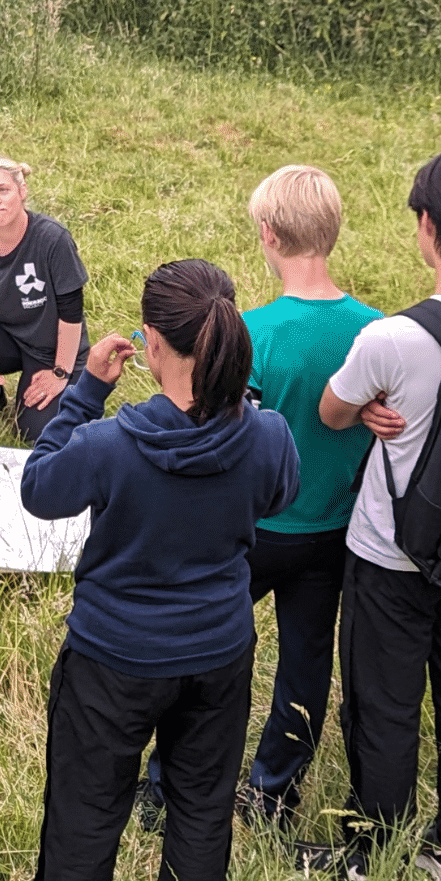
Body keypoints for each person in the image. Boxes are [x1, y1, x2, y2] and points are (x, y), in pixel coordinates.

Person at [22, 260, 298, 881]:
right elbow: (280, 494)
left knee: (82, 828)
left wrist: (86, 390)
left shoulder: (108, 444)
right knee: (202, 821)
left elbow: (39, 488)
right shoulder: (267, 435)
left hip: (111, 661)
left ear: (150, 343)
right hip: (218, 654)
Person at [298, 146, 441, 881]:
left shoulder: (394, 337)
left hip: (393, 550)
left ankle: (374, 848)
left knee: (383, 701)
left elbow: (333, 413)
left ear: (426, 226)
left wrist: (366, 407)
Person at [141, 166, 379, 831]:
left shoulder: (249, 333)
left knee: (195, 650)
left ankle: (167, 785)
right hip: (334, 527)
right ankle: (275, 793)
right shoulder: (376, 328)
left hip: (250, 529)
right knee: (305, 664)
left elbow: (219, 436)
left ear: (268, 236)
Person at [0, 157, 90, 442]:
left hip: (52, 349)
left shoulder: (52, 239)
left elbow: (72, 314)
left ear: (22, 191)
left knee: (34, 433)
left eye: (3, 190)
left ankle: (73, 388)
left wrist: (59, 372)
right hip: (7, 337)